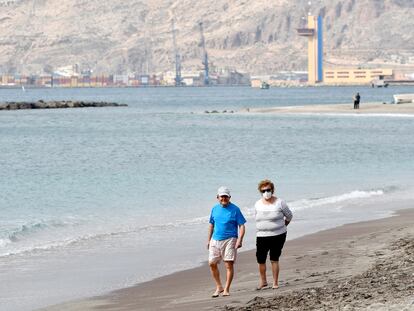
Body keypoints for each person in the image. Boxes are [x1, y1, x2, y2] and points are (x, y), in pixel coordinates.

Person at [207, 186, 246, 298]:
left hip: (230, 239)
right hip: (215, 239)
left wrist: (240, 240)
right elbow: (211, 224)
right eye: (221, 196)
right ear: (217, 197)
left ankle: (227, 289)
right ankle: (219, 286)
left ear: (229, 197)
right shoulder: (214, 209)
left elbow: (242, 226)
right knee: (212, 263)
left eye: (226, 196)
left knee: (228, 264)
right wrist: (208, 240)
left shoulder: (235, 209)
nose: (223, 198)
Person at [254, 179, 292, 290]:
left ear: (272, 190)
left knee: (274, 258)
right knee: (260, 259)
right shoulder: (257, 204)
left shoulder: (280, 202)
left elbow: (289, 216)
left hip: (278, 235)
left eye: (268, 190)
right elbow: (257, 218)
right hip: (261, 236)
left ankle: (275, 282)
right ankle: (263, 282)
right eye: (263, 190)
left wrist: (282, 226)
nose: (266, 192)